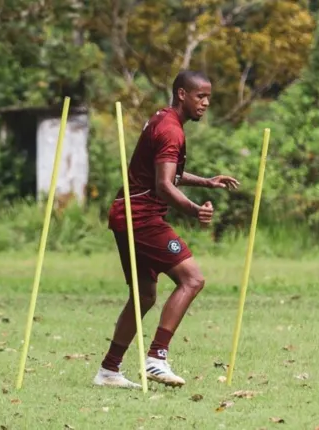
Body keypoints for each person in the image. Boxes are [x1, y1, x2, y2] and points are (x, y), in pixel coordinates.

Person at [93, 70, 239, 389]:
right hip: (141, 216)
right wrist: (194, 209)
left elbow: (167, 173)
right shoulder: (172, 130)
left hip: (128, 212)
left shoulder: (161, 119)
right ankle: (156, 359)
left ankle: (108, 371)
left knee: (145, 295)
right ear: (182, 94)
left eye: (209, 97)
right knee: (192, 279)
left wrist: (206, 181)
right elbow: (162, 185)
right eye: (201, 96)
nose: (206, 103)